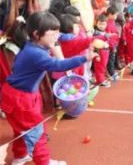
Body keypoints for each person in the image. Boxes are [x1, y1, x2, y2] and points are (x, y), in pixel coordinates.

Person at [1, 12, 96, 165]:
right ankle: (44, 162)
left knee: (22, 129)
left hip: (17, 94)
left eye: (58, 32)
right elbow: (58, 65)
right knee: (37, 132)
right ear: (37, 34)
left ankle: (20, 156)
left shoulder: (33, 45)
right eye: (53, 33)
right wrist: (85, 58)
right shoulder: (35, 53)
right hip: (21, 98)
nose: (57, 37)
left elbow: (57, 53)